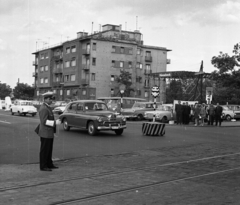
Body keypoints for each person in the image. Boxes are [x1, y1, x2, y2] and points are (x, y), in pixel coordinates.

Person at [38, 92, 59, 171]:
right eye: (50, 99)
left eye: (51, 99)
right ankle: (43, 166)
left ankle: (49, 164)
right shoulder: (44, 108)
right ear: (45, 99)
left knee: (49, 149)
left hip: (49, 132)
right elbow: (44, 121)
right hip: (45, 133)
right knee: (45, 150)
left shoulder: (47, 107)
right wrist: (55, 123)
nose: (51, 101)